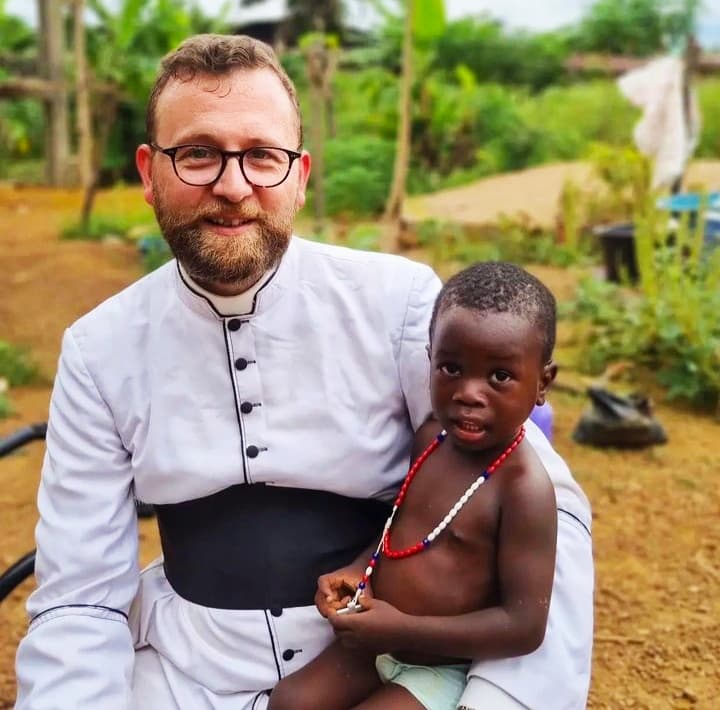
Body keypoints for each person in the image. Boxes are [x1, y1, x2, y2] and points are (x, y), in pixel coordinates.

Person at [14, 34, 593, 709]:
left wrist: (494, 702)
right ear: (148, 172)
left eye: (263, 156)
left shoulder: (400, 302)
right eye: (197, 153)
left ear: (301, 174)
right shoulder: (98, 350)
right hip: (180, 677)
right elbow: (81, 598)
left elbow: (543, 501)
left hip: (382, 667)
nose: (233, 187)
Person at [267, 262, 559, 710]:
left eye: (499, 376)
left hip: (438, 668)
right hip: (375, 641)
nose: (469, 392)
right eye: (451, 368)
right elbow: (401, 527)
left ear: (542, 383)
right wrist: (358, 571)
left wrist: (400, 629)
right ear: (429, 359)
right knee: (290, 701)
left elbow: (523, 626)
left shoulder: (523, 489)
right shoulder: (429, 437)